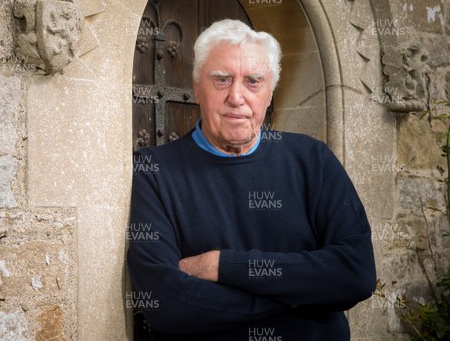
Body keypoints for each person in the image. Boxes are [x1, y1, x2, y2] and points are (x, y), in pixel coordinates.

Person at [127, 19, 376, 340]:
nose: (236, 96)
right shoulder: (154, 171)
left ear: (270, 92)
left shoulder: (313, 160)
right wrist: (301, 295)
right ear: (196, 86)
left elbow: (355, 275)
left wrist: (222, 266)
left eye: (253, 81)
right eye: (221, 79)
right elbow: (166, 303)